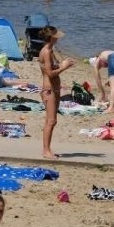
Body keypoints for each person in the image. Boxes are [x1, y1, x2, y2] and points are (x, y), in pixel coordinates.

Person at [38, 26, 74, 159]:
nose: (58, 38)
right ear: (52, 37)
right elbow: (50, 73)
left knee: (53, 121)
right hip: (49, 90)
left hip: (54, 89)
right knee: (50, 121)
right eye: (56, 36)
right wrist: (63, 67)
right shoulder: (46, 51)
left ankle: (47, 149)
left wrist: (63, 64)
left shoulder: (50, 51)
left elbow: (53, 67)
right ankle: (46, 151)